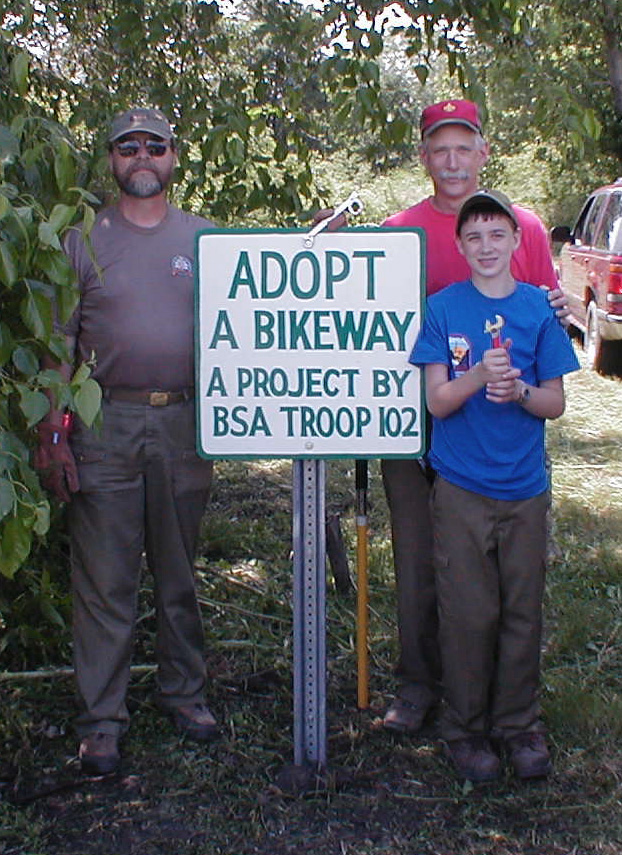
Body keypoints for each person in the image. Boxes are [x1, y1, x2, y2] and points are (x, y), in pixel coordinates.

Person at [34, 108, 218, 776]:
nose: (142, 155)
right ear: (111, 159)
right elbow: (56, 345)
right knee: (105, 580)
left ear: (174, 156)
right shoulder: (83, 238)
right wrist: (53, 430)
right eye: (127, 146)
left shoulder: (205, 238)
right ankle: (102, 720)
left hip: (184, 423)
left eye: (155, 145)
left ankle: (185, 693)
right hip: (103, 423)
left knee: (178, 572)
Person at [380, 98, 568, 735]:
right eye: (440, 147)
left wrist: (563, 306)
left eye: (465, 146)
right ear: (424, 156)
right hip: (419, 423)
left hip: (498, 436)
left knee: (496, 583)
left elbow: (543, 317)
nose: (453, 160)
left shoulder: (525, 227)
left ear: (485, 151)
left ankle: (495, 701)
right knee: (419, 565)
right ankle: (418, 687)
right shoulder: (395, 230)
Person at [410, 189, 579, 781]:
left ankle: (519, 725)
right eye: (474, 236)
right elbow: (437, 401)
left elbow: (555, 402)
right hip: (460, 487)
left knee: (521, 611)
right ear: (460, 246)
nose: (486, 246)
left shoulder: (537, 309)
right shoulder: (443, 308)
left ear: (516, 242)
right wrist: (480, 374)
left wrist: (521, 393)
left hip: (525, 487)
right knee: (468, 612)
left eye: (497, 234)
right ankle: (465, 729)